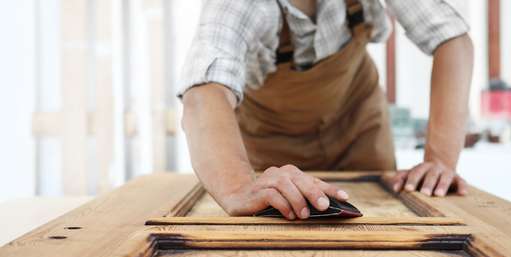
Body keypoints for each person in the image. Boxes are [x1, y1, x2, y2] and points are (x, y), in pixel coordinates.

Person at [178, 0, 473, 220]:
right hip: (271, 145)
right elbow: (205, 93)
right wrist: (237, 187)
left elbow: (452, 40)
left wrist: (440, 162)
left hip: (359, 126)